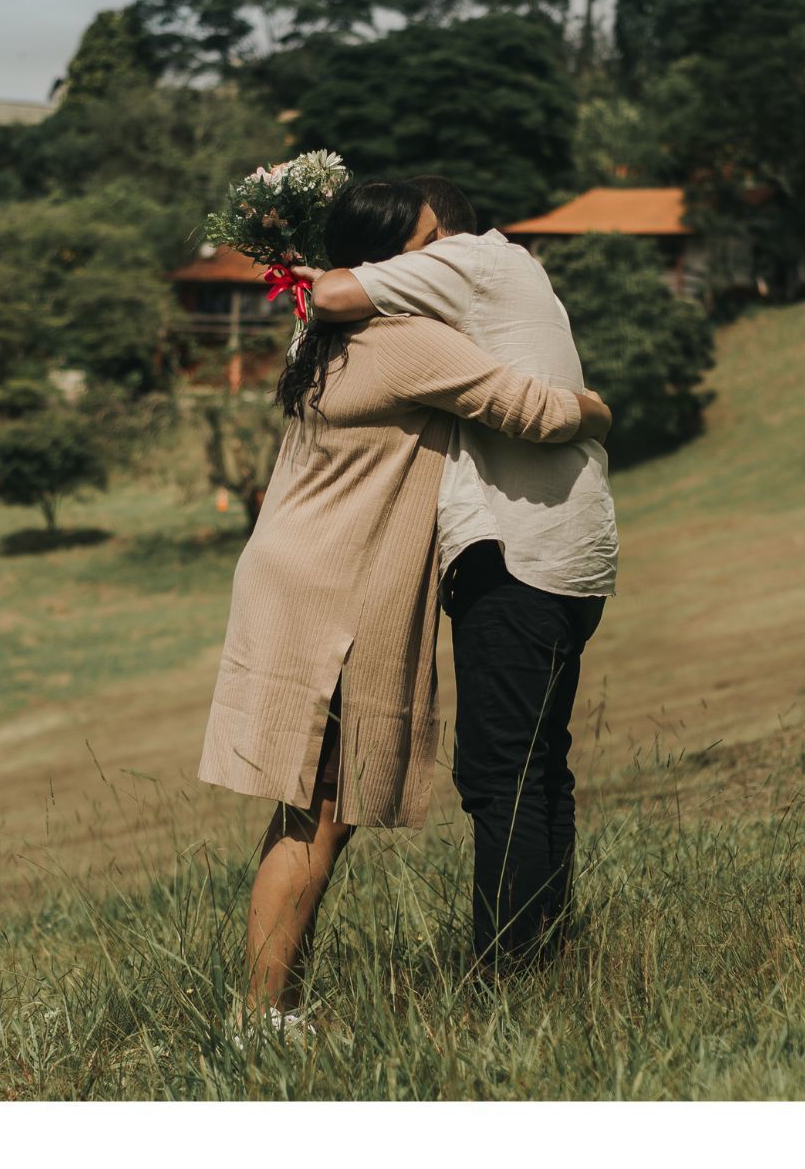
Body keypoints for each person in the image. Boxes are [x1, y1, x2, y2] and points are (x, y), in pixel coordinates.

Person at [197, 178, 612, 1037]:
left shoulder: (322, 338)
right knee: (319, 809)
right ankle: (263, 1015)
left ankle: (277, 1008)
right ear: (387, 261)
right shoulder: (405, 343)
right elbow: (528, 409)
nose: (444, 255)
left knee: (315, 808)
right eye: (426, 244)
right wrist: (600, 408)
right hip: (332, 586)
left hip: (299, 572)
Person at [312, 176, 619, 972]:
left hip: (517, 555)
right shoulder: (511, 271)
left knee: (497, 775)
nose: (404, 265)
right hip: (567, 549)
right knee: (539, 764)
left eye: (410, 246)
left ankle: (508, 975)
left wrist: (290, 261)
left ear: (441, 232)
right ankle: (545, 953)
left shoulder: (468, 261)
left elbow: (330, 294)